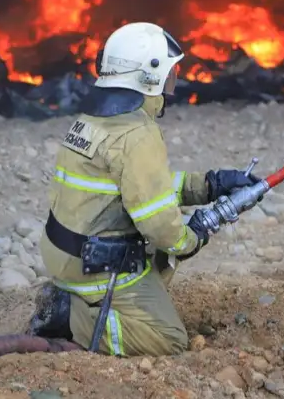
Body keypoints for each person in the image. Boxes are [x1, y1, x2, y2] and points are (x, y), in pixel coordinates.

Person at [27, 22, 260, 356]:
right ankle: (71, 317)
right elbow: (160, 226)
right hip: (94, 267)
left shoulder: (90, 121)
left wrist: (211, 184)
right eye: (168, 74)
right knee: (169, 338)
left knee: (158, 260)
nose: (170, 84)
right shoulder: (137, 135)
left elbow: (140, 188)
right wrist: (191, 239)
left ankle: (80, 300)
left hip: (65, 254)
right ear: (148, 75)